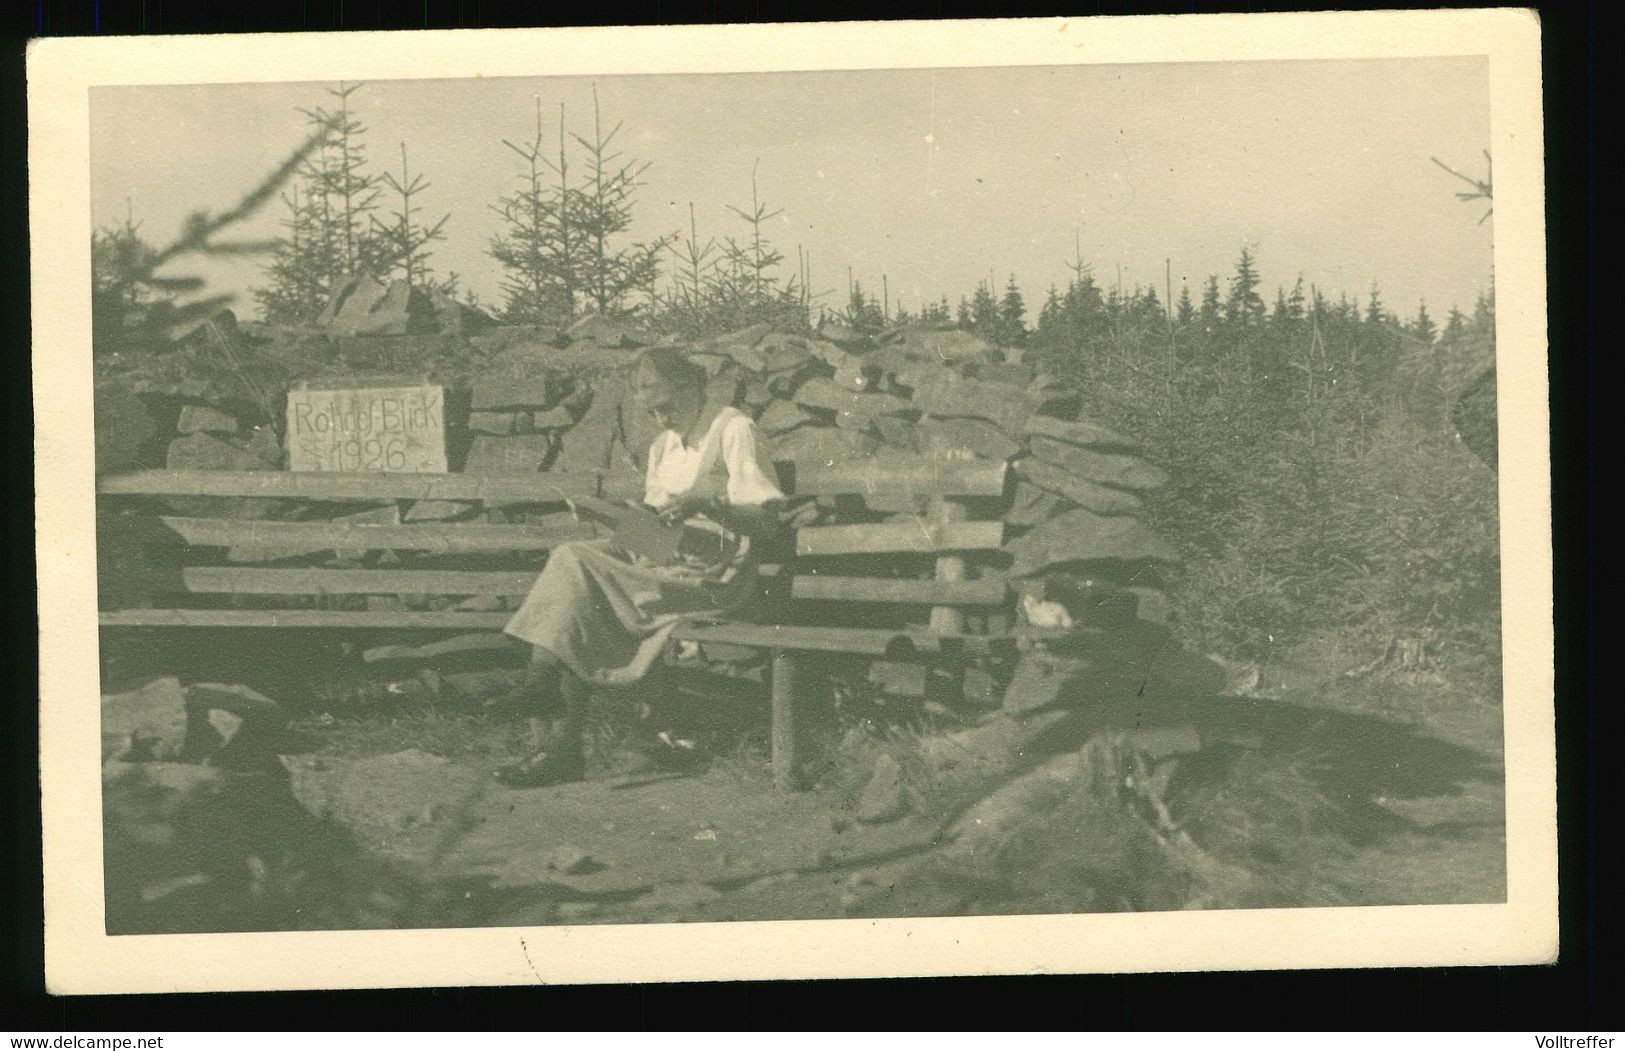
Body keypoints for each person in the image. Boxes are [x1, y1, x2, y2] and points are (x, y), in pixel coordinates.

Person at [494, 347, 786, 787]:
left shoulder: (734, 430)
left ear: (694, 388)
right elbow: (653, 536)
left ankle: (548, 702)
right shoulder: (663, 447)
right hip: (666, 566)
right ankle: (559, 738)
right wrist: (616, 518)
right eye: (650, 410)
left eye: (666, 405)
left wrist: (707, 503)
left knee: (575, 565)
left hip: (715, 579)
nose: (660, 417)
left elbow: (765, 523)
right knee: (577, 572)